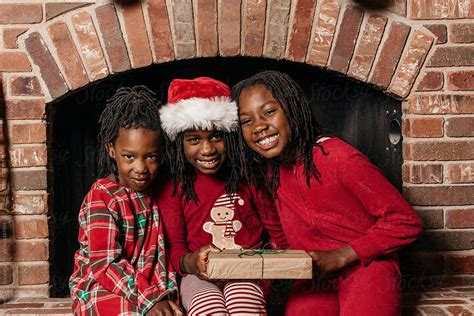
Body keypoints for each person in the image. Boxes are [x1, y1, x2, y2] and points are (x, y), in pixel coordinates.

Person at [233, 71, 423, 316]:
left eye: (269, 112)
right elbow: (279, 234)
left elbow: (406, 221)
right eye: (246, 121)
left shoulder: (338, 158)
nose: (258, 126)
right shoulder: (266, 174)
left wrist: (342, 256)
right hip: (314, 274)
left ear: (292, 109)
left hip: (366, 266)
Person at [157, 77, 288, 315]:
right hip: (198, 276)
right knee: (208, 306)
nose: (207, 150)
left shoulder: (249, 177)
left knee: (241, 299)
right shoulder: (173, 188)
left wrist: (279, 269)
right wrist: (192, 263)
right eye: (194, 139)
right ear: (179, 144)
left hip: (249, 272)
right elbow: (175, 251)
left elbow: (277, 233)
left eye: (216, 137)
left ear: (230, 138)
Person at [69, 86, 181, 315]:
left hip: (146, 283)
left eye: (151, 157)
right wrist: (149, 299)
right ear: (112, 149)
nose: (141, 169)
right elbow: (104, 265)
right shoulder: (102, 197)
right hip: (103, 284)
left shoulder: (157, 190)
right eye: (129, 156)